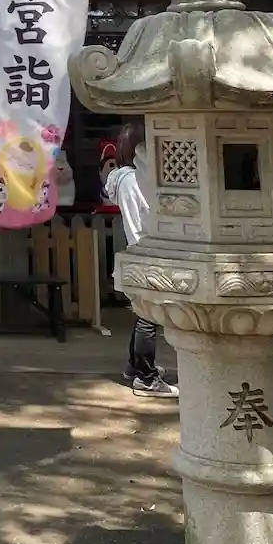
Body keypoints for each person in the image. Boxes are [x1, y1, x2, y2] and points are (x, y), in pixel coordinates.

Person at [101, 120, 179, 398]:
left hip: (137, 249)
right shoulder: (136, 180)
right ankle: (145, 377)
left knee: (144, 313)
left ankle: (136, 368)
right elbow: (149, 215)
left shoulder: (123, 179)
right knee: (148, 316)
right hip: (148, 249)